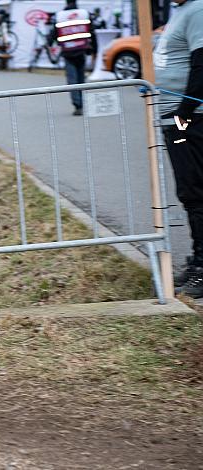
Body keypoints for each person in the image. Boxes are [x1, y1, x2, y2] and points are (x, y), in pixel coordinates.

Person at [153, 0, 203, 297]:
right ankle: (199, 259)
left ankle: (202, 264)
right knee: (191, 191)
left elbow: (201, 64)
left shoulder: (197, 9)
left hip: (189, 121)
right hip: (179, 119)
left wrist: (183, 112)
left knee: (194, 190)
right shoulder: (183, 11)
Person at [52, 0, 97, 115]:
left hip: (68, 52)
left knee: (72, 80)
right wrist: (94, 50)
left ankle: (78, 105)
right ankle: (82, 102)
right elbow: (92, 32)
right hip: (82, 50)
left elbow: (53, 34)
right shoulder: (84, 14)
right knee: (81, 78)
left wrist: (51, 43)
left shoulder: (61, 16)